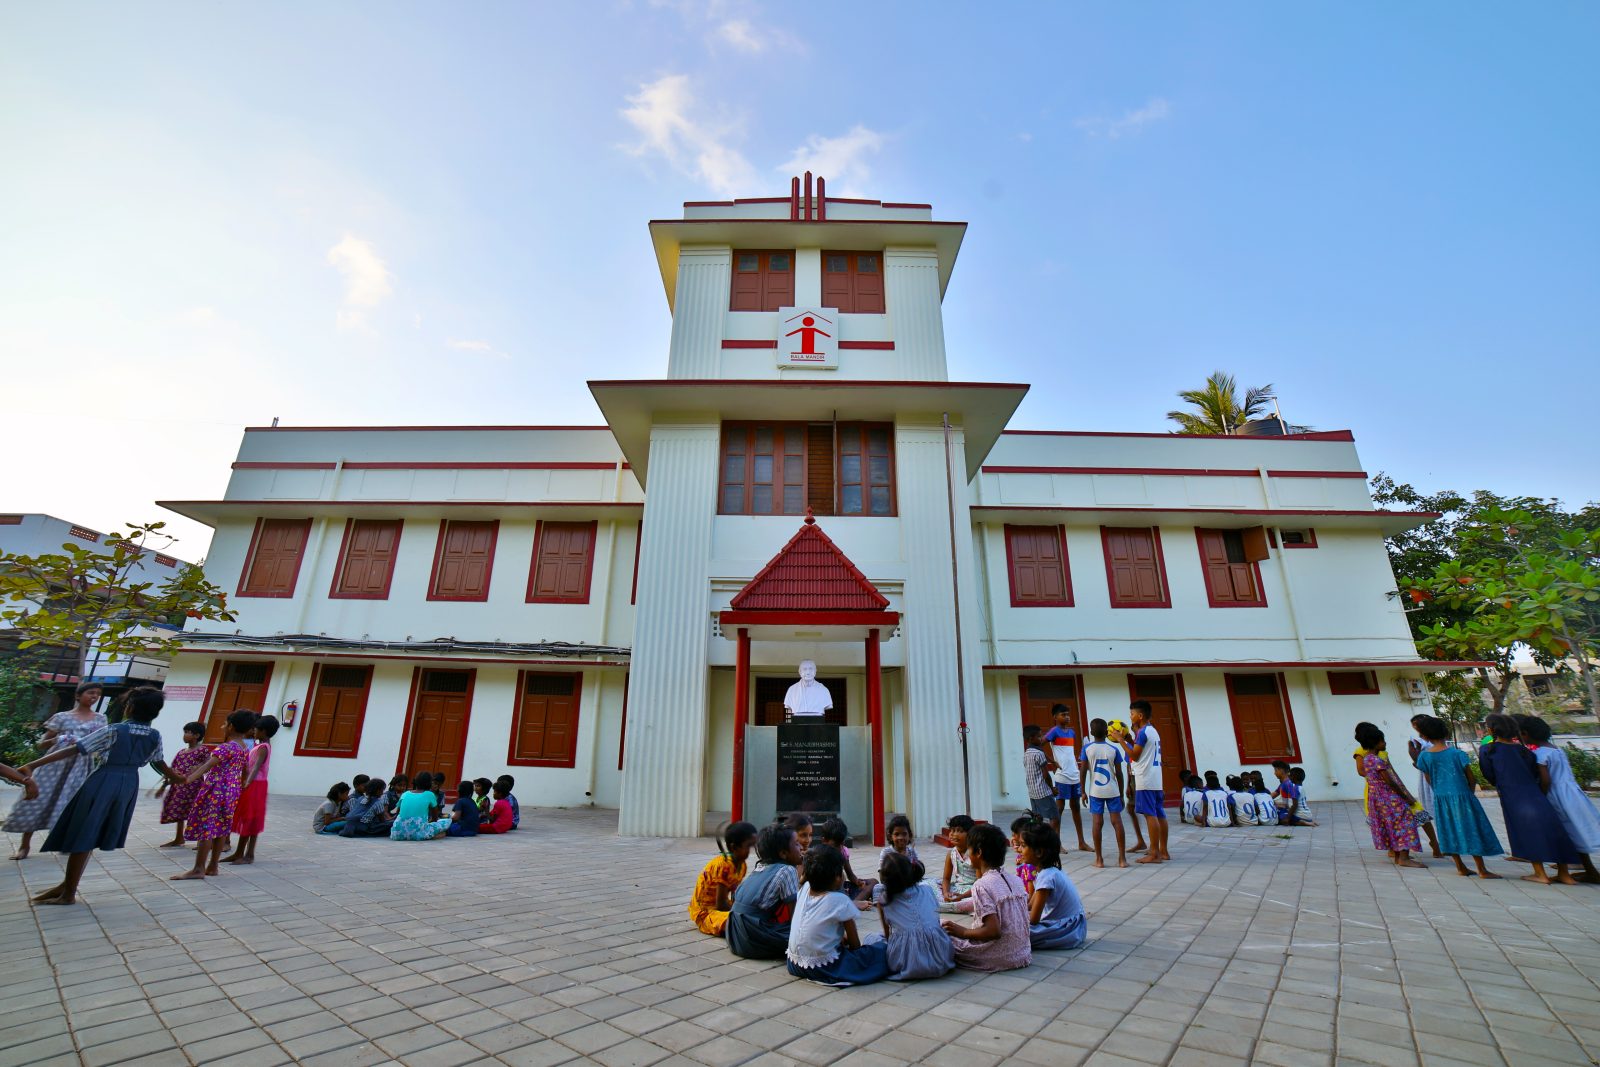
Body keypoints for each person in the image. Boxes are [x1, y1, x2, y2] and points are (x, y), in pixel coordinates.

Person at [24, 688, 183, 904]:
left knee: (84, 832)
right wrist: (178, 778)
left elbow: (77, 748)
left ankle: (68, 893)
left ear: (130, 707)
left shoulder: (114, 730)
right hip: (128, 785)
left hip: (104, 781)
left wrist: (33, 765)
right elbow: (158, 762)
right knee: (91, 832)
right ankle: (66, 886)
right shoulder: (154, 735)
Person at [5, 681, 108, 860]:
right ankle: (25, 846)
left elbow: (101, 743)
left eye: (97, 694)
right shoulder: (61, 717)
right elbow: (41, 744)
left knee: (72, 803)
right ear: (78, 696)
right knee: (37, 800)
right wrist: (59, 739)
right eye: (90, 692)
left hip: (81, 766)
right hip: (53, 765)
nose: (94, 696)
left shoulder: (100, 719)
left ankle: (66, 842)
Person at [1479, 714, 1581, 885]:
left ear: (1490, 730)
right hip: (1534, 792)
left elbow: (1488, 774)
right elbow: (1535, 773)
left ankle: (1540, 873)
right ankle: (1564, 873)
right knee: (1554, 829)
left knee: (1526, 831)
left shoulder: (1489, 750)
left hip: (1512, 794)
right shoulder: (1525, 750)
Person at [1413, 714, 1503, 878]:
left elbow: (1429, 779)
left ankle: (1460, 867)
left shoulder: (1424, 756)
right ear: (1445, 732)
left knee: (1448, 830)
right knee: (1471, 829)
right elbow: (1471, 777)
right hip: (1463, 797)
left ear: (1424, 736)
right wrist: (1469, 793)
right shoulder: (1456, 754)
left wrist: (1440, 791)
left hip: (1441, 798)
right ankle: (1481, 869)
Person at [786, 844, 889, 985]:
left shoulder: (805, 888)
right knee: (879, 953)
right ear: (837, 878)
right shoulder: (840, 901)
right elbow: (855, 945)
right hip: (823, 968)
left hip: (794, 963)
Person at [175, 710, 256, 879]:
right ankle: (213, 866)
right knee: (221, 827)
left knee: (207, 827)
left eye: (225, 724)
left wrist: (187, 779)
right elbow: (246, 770)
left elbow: (207, 766)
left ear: (231, 726)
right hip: (232, 791)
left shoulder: (226, 747)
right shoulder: (244, 747)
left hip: (216, 789)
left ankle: (198, 868)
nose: (222, 726)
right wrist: (242, 785)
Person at [1520, 716, 1600, 883]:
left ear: (1525, 734)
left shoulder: (1539, 754)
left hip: (1557, 796)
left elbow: (1546, 780)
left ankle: (1575, 869)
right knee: (1574, 831)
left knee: (1565, 832)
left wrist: (1540, 796)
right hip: (1572, 793)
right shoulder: (1556, 750)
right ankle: (1589, 870)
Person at [942, 823, 1031, 972]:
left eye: (969, 849)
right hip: (1021, 953)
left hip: (998, 957)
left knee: (940, 927)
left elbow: (992, 931)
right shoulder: (1015, 879)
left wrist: (962, 932)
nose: (968, 854)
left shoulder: (981, 885)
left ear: (978, 853)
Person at [1355, 724, 1426, 869]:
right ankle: (1404, 858)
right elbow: (1390, 782)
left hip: (1377, 798)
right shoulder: (1377, 760)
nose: (1385, 743)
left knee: (1392, 825)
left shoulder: (1367, 759)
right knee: (1405, 823)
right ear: (1375, 743)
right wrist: (1406, 797)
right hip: (1389, 798)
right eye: (1383, 741)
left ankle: (1399, 855)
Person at [874, 851, 954, 980]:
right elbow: (935, 920)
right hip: (941, 958)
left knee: (873, 938)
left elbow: (888, 935)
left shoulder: (884, 900)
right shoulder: (927, 889)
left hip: (907, 964)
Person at [727, 823, 802, 959]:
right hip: (753, 937)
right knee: (811, 937)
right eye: (797, 844)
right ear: (783, 853)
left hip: (733, 934)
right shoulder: (787, 871)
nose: (801, 847)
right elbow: (795, 918)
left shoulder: (761, 866)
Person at [1019, 823, 1087, 951]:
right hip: (1074, 927)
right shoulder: (1047, 872)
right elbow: (1029, 905)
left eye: (1023, 846)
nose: (1019, 850)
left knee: (1013, 934)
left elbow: (1033, 919)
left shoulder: (1046, 877)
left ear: (1039, 852)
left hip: (1068, 930)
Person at [223, 714, 278, 865]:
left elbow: (256, 767)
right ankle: (240, 852)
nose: (254, 732)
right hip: (254, 784)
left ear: (264, 731)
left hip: (255, 785)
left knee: (250, 819)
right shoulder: (260, 745)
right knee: (248, 818)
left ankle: (248, 855)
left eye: (257, 729)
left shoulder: (262, 748)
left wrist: (247, 782)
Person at [1118, 701, 1169, 863]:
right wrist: (1129, 740)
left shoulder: (1142, 732)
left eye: (1132, 714)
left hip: (1145, 778)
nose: (1130, 717)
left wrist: (1120, 740)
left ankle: (1154, 853)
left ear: (1140, 716)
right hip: (1156, 778)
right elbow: (1142, 750)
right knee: (1160, 813)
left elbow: (1135, 756)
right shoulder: (1153, 731)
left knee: (1150, 815)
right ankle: (1163, 850)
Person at [689, 821, 756, 935]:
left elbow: (734, 895)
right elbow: (720, 904)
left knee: (750, 915)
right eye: (748, 846)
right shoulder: (724, 866)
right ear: (734, 847)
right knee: (741, 921)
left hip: (722, 906)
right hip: (706, 911)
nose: (751, 851)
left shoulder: (742, 865)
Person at [1082, 718, 1128, 868]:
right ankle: (1122, 859)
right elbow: (1119, 773)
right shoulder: (1114, 750)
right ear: (1107, 733)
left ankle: (1099, 859)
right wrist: (1121, 794)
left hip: (1096, 791)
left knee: (1097, 823)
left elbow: (1083, 770)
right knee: (1117, 822)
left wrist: (1082, 790)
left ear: (1091, 732)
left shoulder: (1087, 749)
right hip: (1112, 790)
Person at [1044, 704, 1090, 851]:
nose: (1067, 717)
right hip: (1062, 776)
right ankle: (1056, 843)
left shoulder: (1072, 732)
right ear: (1055, 717)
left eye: (1068, 714)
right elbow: (1038, 745)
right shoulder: (1054, 731)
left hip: (1074, 774)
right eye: (1063, 714)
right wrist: (1051, 761)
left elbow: (1070, 753)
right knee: (1059, 809)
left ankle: (1082, 842)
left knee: (1076, 807)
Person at [157, 721, 209, 847]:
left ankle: (202, 840)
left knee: (197, 811)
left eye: (187, 733)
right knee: (179, 811)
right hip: (178, 787)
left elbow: (208, 765)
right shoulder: (181, 752)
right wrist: (164, 785)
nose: (184, 735)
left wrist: (198, 767)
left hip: (194, 786)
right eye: (184, 732)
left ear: (197, 735)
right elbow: (172, 769)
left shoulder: (203, 750)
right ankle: (179, 837)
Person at [1406, 714, 1446, 858]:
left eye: (1418, 725)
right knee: (1425, 811)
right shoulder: (1417, 741)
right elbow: (1418, 760)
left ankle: (1444, 843)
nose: (1417, 729)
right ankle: (1434, 842)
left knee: (1441, 811)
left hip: (1439, 778)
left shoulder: (1437, 741)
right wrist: (1413, 752)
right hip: (1426, 778)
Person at [817, 818, 874, 902]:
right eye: (836, 845)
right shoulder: (818, 856)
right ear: (824, 840)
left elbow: (850, 875)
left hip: (842, 888)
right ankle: (853, 904)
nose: (840, 848)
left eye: (842, 843)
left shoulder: (843, 852)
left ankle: (855, 901)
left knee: (873, 882)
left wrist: (857, 882)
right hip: (827, 892)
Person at [390, 772, 451, 840]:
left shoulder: (405, 794)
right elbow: (435, 818)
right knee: (447, 821)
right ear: (429, 783)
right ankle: (430, 835)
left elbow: (398, 814)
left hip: (397, 833)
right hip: (418, 833)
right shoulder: (430, 794)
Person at [937, 815, 977, 912]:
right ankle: (950, 904)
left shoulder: (976, 854)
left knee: (979, 900)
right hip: (958, 888)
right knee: (927, 884)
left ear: (970, 834)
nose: (953, 834)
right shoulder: (951, 853)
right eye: (952, 830)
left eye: (959, 831)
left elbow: (982, 883)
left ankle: (946, 906)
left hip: (974, 890)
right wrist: (946, 893)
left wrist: (962, 896)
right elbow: (946, 879)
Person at [1022, 725, 1057, 824]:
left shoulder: (1027, 753)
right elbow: (1046, 775)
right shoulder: (1039, 754)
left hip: (1033, 793)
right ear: (1031, 739)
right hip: (1043, 792)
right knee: (1054, 818)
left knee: (1037, 819)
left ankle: (1036, 837)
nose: (1042, 739)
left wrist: (1053, 762)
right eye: (1039, 736)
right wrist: (1052, 789)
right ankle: (1051, 838)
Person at [1010, 814, 1040, 895]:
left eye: (1015, 833)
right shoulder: (1022, 856)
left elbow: (1031, 889)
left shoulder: (1030, 863)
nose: (1012, 836)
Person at [1271, 761, 1307, 826]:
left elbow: (1289, 804)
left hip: (1289, 810)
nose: (1274, 773)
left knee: (1274, 817)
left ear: (1282, 771)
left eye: (1276, 770)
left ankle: (1298, 821)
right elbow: (1273, 794)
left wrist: (1274, 804)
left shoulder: (1289, 784)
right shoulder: (1283, 784)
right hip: (1286, 808)